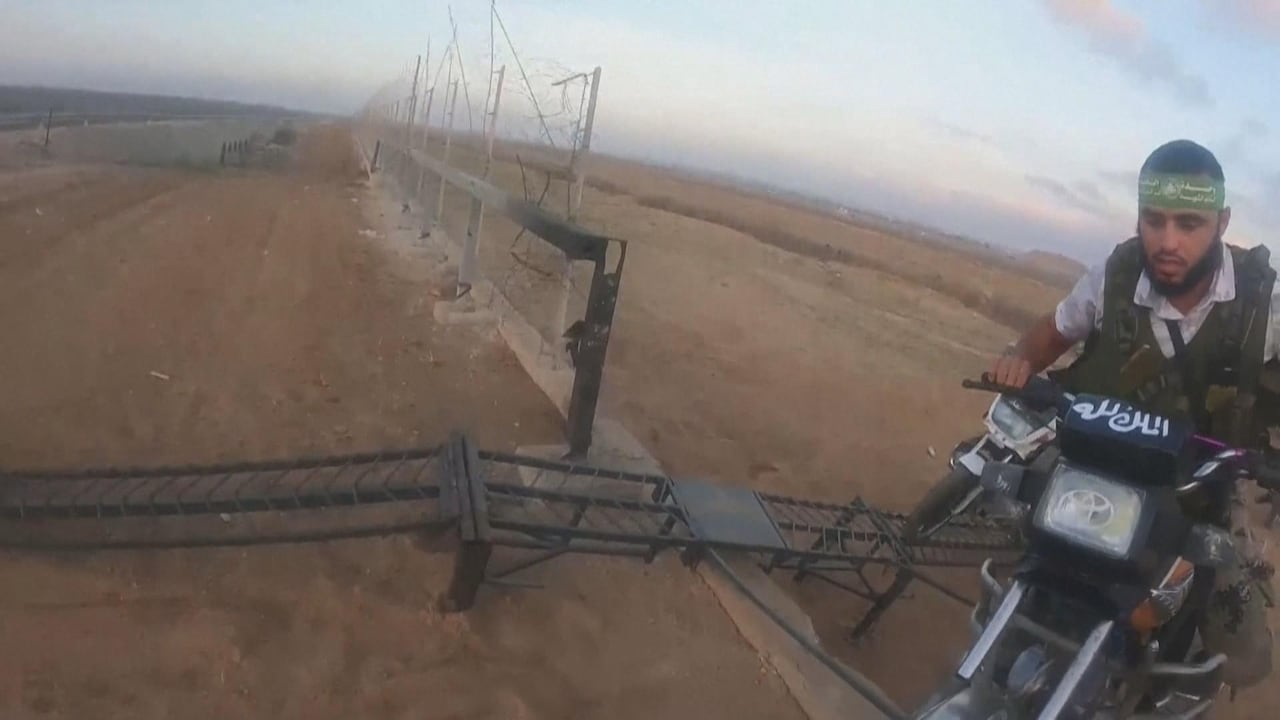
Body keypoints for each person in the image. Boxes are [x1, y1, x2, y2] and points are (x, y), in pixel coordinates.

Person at [989, 139, 1276, 690]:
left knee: (1238, 646)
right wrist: (1019, 360)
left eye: (1189, 224)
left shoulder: (1264, 305)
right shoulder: (1114, 276)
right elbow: (1053, 332)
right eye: (1154, 220)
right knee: (1020, 518)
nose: (1168, 241)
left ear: (1222, 223)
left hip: (1197, 488)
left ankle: (1177, 686)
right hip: (1096, 466)